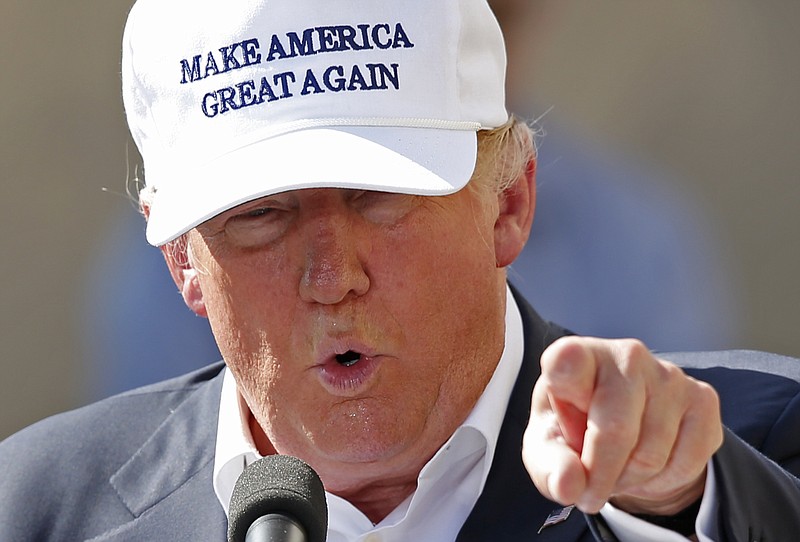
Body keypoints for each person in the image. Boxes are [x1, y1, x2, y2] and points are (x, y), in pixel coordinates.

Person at [1, 1, 798, 540]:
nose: (332, 275)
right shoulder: (37, 509)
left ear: (509, 202)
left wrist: (677, 505)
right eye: (260, 215)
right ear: (183, 263)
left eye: (380, 197)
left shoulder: (760, 448)